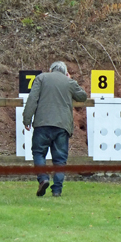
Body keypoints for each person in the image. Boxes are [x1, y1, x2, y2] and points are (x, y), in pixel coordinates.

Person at [22, 61, 87, 197]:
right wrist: (70, 80)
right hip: (62, 126)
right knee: (60, 160)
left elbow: (32, 99)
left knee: (39, 153)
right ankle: (57, 190)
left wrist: (27, 119)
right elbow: (82, 96)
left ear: (50, 70)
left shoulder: (41, 78)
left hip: (42, 124)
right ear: (65, 72)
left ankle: (43, 178)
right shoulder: (68, 82)